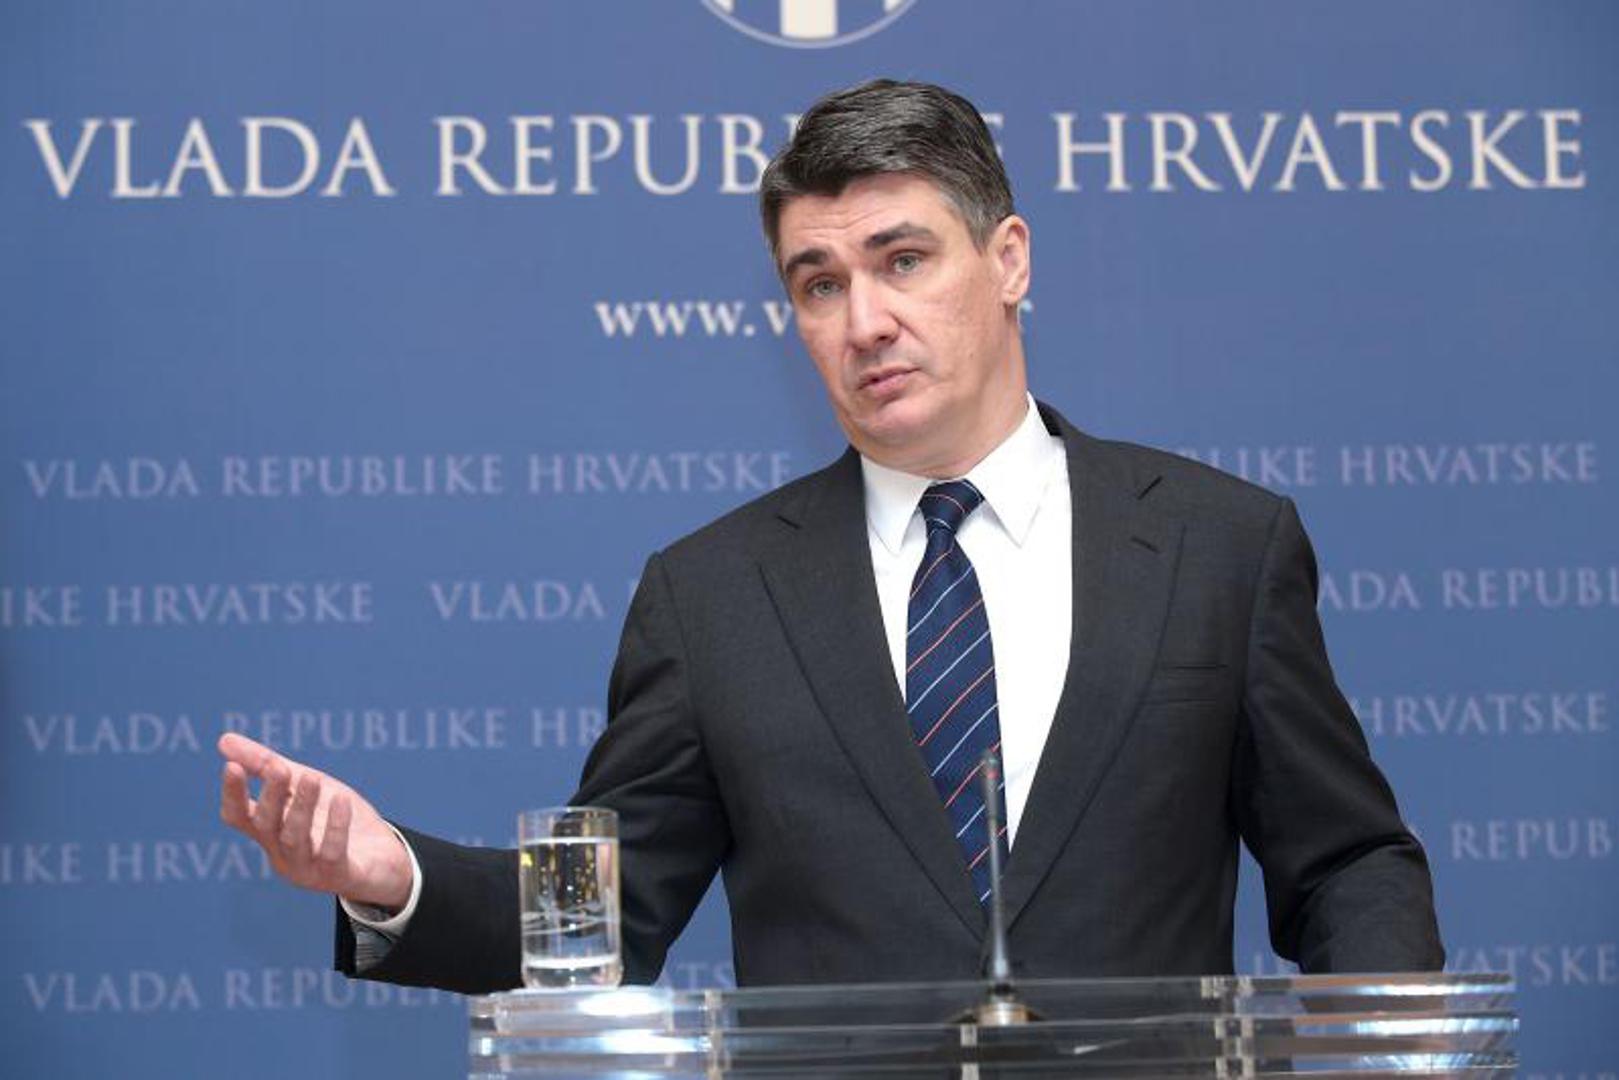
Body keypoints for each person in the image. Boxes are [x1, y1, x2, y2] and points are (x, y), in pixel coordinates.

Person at [218, 79, 1443, 993]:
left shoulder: (1215, 546)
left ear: (1007, 261)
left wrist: (1384, 1048)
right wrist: (396, 877)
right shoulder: (711, 596)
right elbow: (607, 917)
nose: (863, 321)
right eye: (818, 283)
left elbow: (1347, 864)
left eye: (902, 260)